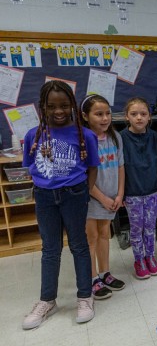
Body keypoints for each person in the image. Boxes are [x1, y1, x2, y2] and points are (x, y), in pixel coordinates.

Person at [22, 80, 99, 329]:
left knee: (79, 246)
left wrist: (83, 194)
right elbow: (29, 167)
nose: (58, 111)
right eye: (51, 106)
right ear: (42, 107)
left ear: (73, 106)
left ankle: (85, 296)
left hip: (74, 195)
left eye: (64, 105)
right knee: (50, 250)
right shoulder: (33, 135)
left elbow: (92, 168)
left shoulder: (85, 135)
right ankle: (47, 300)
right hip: (44, 197)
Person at [80, 94, 126, 299]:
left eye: (107, 113)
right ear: (85, 116)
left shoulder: (115, 137)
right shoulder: (82, 140)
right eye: (98, 114)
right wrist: (103, 198)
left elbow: (121, 166)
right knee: (92, 238)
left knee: (105, 235)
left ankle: (105, 273)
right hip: (92, 199)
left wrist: (119, 193)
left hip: (111, 198)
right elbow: (83, 177)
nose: (105, 118)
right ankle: (91, 279)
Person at [120, 97, 157, 279]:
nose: (139, 118)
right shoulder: (120, 138)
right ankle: (139, 260)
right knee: (136, 229)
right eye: (134, 114)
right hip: (132, 193)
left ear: (149, 117)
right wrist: (120, 193)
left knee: (151, 227)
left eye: (143, 114)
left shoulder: (155, 137)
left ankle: (150, 257)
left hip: (152, 191)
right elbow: (118, 168)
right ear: (127, 117)